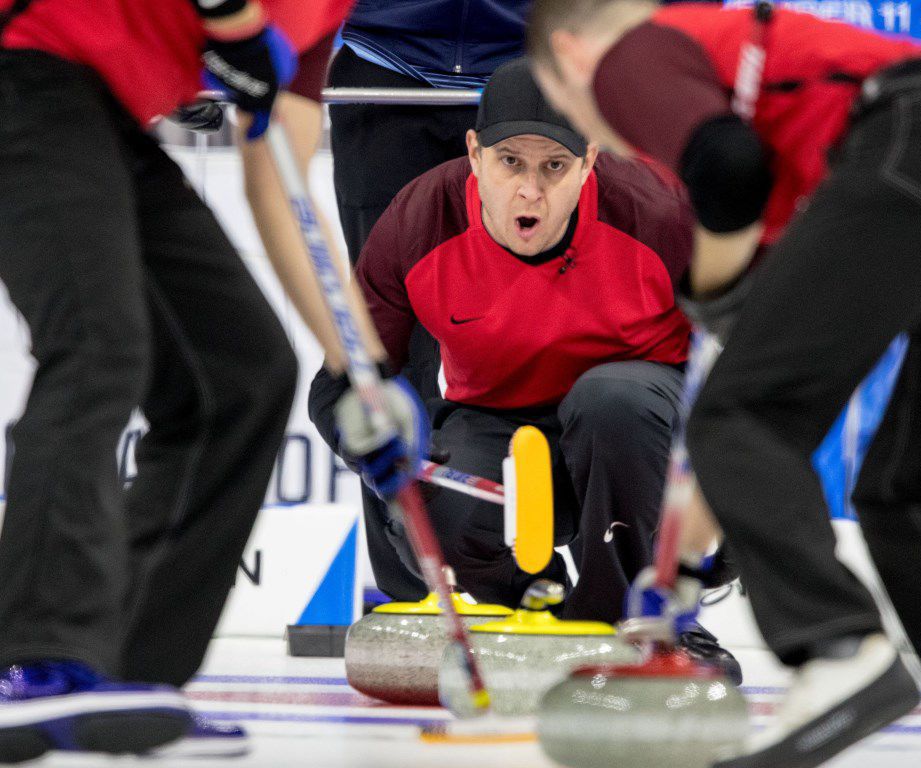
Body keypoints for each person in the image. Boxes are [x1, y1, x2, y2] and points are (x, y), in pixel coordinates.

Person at [527, 2, 921, 767]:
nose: (599, 129)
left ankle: (836, 651)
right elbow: (744, 374)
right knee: (911, 484)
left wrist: (714, 288)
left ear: (569, 55)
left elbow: (727, 171)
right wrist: (686, 559)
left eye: (564, 107)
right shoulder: (787, 125)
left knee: (741, 420)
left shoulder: (632, 53)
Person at [0, 0, 356, 760]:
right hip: (25, 63)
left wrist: (361, 370)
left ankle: (127, 672)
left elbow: (280, 183)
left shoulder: (331, 13)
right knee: (97, 348)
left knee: (243, 372)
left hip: (105, 109)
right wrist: (233, 22)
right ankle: (28, 663)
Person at [309, 59, 739, 680]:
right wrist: (386, 457)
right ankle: (538, 609)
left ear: (590, 162)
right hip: (503, 436)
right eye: (511, 162)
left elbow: (749, 367)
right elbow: (345, 382)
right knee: (431, 490)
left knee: (611, 399)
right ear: (475, 154)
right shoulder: (418, 219)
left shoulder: (658, 213)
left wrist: (726, 531)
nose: (530, 191)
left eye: (554, 167)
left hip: (632, 431)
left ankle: (641, 619)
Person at [329, 0, 532, 601]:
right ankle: (409, 592)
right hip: (383, 67)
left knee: (541, 336)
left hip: (532, 76)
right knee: (385, 349)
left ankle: (534, 581)